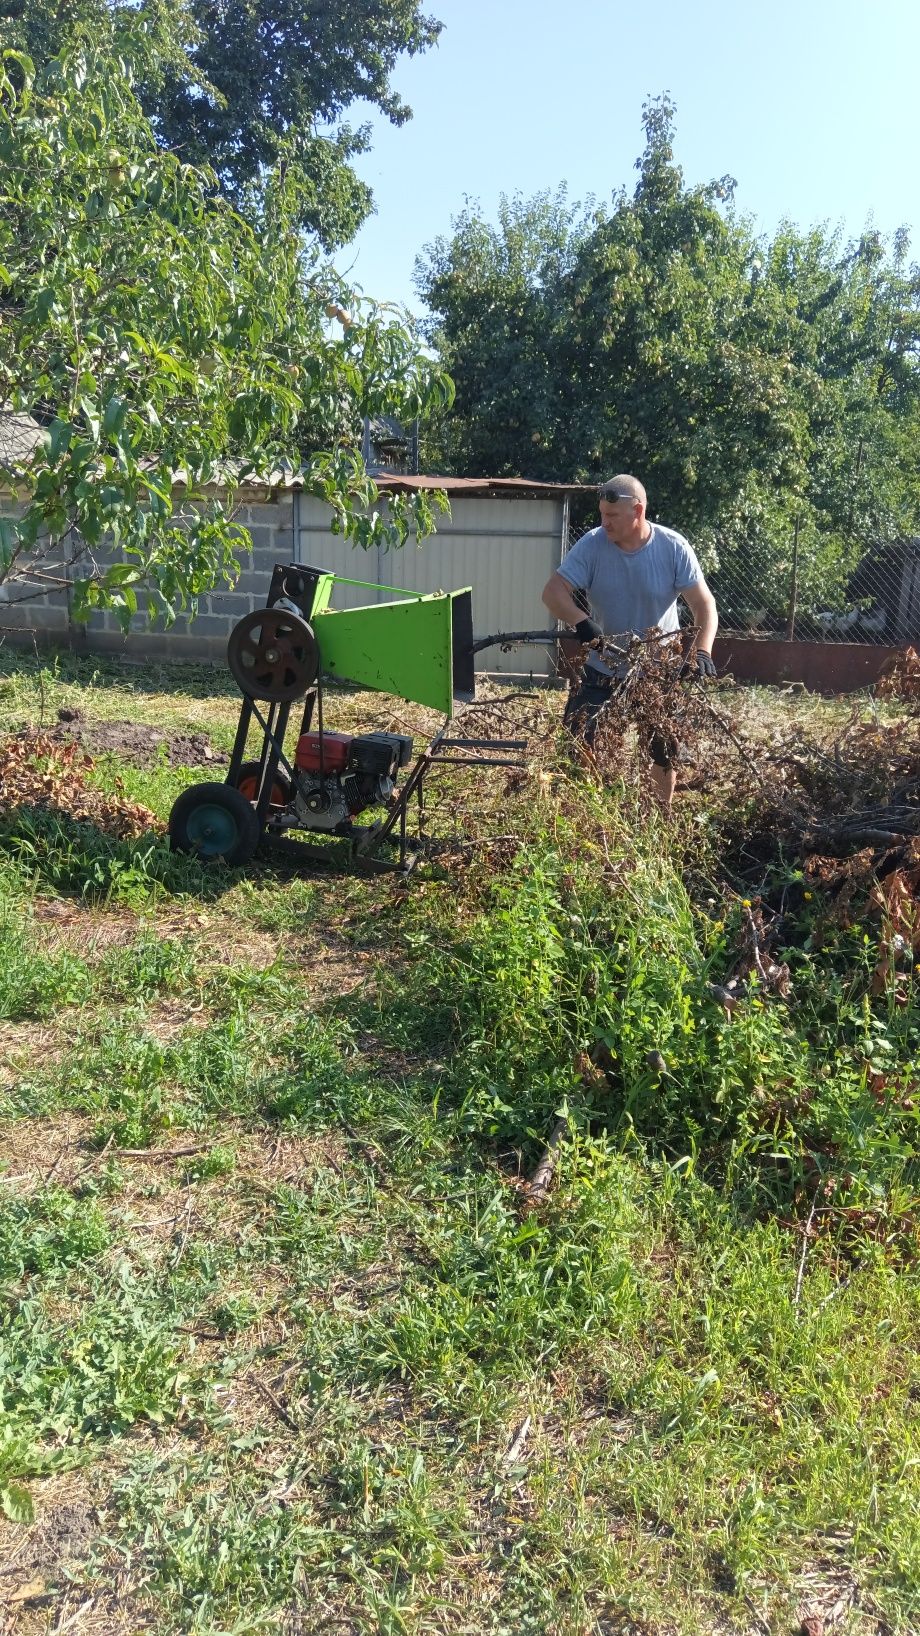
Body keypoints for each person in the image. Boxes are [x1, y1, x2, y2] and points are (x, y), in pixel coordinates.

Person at [541, 474, 718, 813]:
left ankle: (656, 820)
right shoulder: (593, 545)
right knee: (580, 746)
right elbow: (553, 592)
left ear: (638, 511)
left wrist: (702, 650)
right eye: (602, 514)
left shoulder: (672, 547)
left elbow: (703, 605)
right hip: (601, 669)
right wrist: (582, 622)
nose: (604, 523)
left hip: (657, 672)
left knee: (663, 752)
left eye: (612, 516)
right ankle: (585, 821)